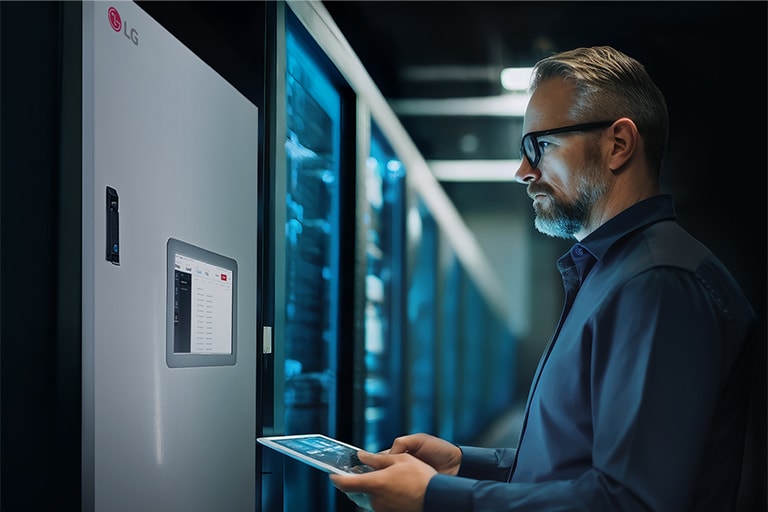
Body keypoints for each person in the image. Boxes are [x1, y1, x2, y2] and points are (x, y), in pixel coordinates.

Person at [330, 46, 757, 511]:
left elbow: (629, 501)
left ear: (618, 144)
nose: (523, 172)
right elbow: (574, 463)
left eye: (542, 146)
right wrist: (463, 465)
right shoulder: (614, 273)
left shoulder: (658, 283)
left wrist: (436, 497)